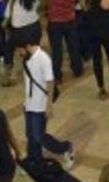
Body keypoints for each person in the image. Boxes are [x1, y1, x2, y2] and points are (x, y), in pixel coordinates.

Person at [21, 39, 76, 167]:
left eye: (19, 50)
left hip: (41, 104)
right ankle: (34, 160)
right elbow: (28, 83)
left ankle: (66, 147)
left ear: (27, 45)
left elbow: (50, 82)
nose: (18, 53)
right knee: (30, 134)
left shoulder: (43, 59)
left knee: (39, 136)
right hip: (30, 103)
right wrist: (25, 102)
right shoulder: (26, 60)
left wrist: (49, 105)